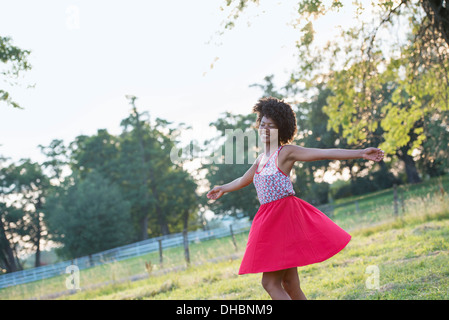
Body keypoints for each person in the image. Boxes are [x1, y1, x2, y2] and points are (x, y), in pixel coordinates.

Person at [206, 97, 384, 300]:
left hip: (283, 218)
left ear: (280, 129)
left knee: (269, 283)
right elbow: (242, 180)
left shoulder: (285, 152)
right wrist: (223, 188)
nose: (264, 129)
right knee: (289, 284)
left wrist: (361, 153)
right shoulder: (260, 160)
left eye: (270, 126)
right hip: (269, 220)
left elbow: (323, 153)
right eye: (262, 124)